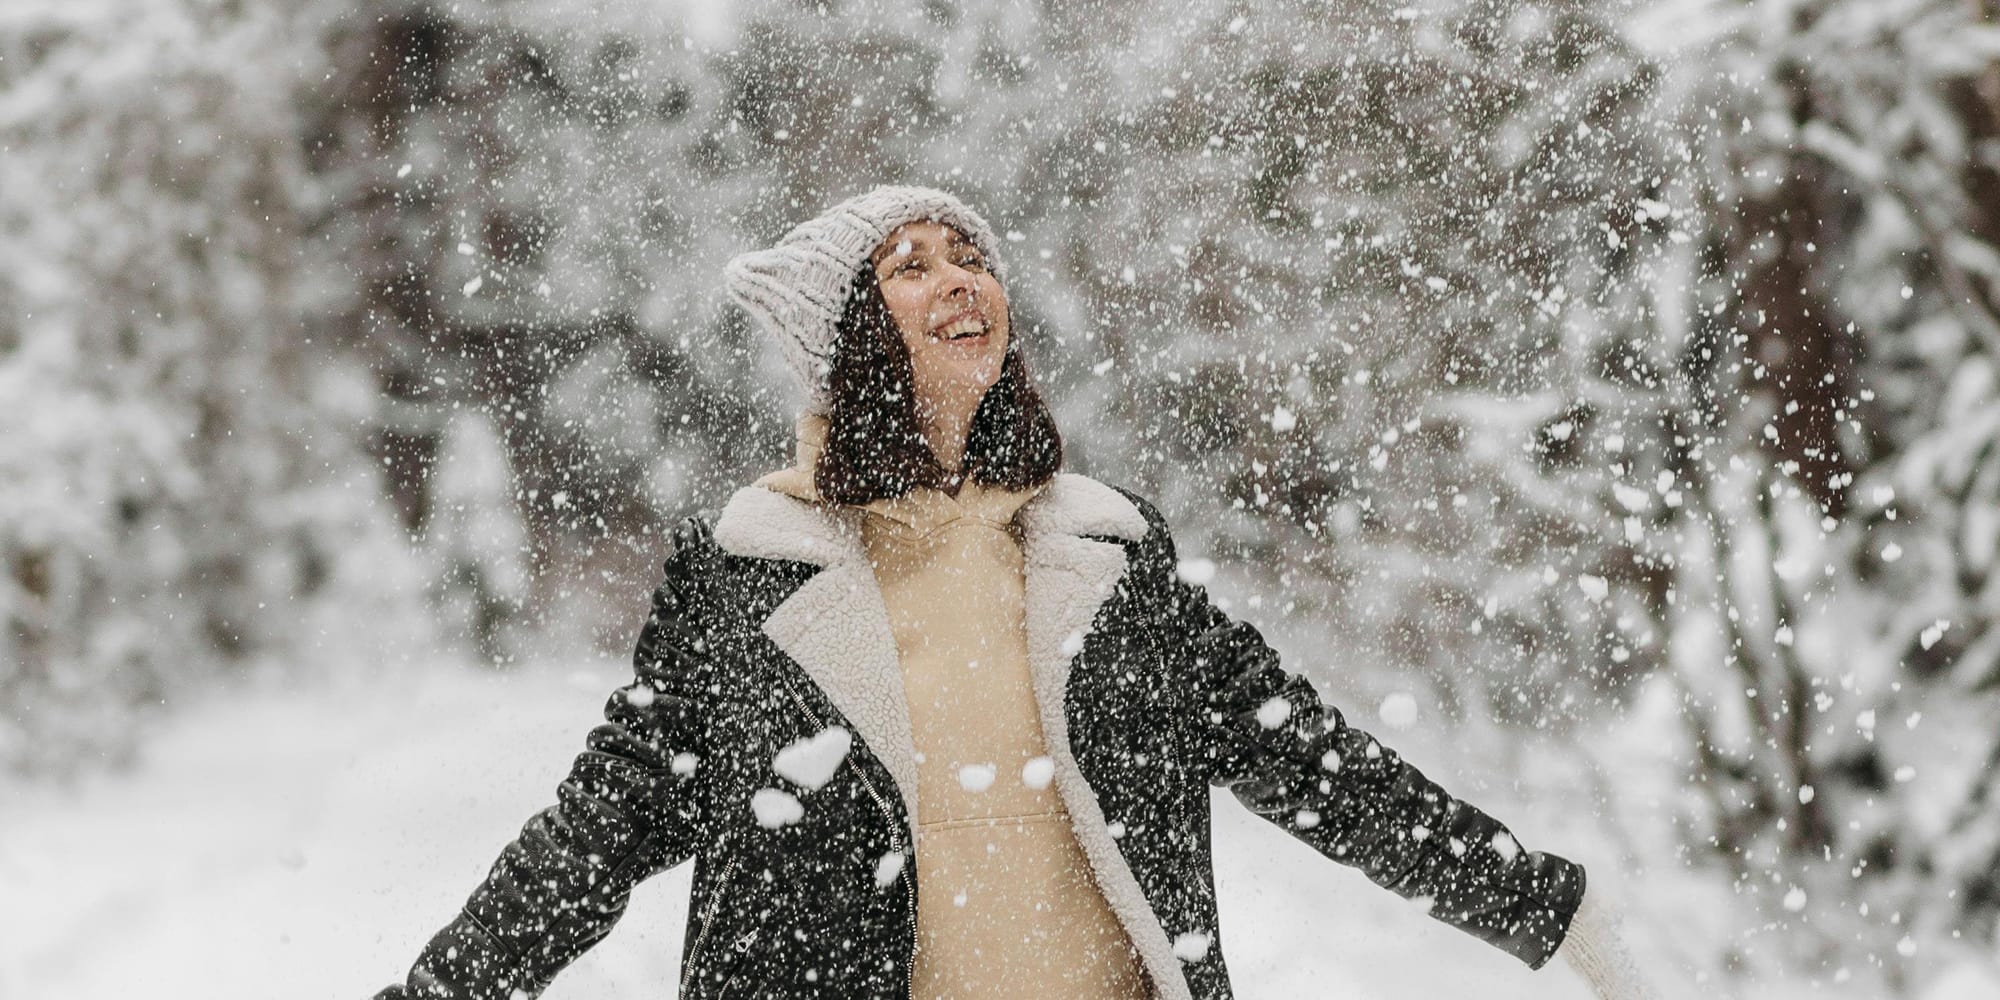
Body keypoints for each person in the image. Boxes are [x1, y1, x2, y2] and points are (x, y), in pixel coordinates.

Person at [373, 185, 1659, 1000]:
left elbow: (1306, 758)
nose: (956, 279)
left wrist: (1541, 905)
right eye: (909, 265)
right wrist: (445, 987)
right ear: (848, 337)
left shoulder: (1100, 555)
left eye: (968, 256)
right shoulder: (749, 573)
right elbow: (600, 826)